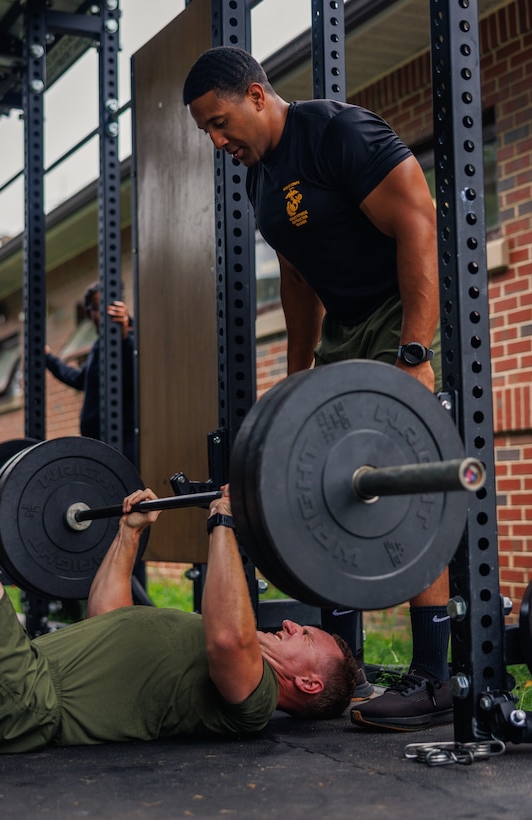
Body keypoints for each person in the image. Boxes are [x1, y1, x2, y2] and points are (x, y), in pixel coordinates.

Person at [183, 46, 453, 732]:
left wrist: (414, 354)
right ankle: (346, 657)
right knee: (319, 479)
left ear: (254, 95)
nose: (217, 142)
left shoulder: (336, 131)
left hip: (399, 314)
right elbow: (298, 277)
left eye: (219, 123)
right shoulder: (259, 179)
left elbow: (417, 221)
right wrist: (299, 374)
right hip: (344, 329)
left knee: (407, 480)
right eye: (205, 133)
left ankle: (433, 675)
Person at [0, 487, 358, 753]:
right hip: (12, 683)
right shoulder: (213, 673)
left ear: (309, 683)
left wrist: (225, 522)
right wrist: (130, 533)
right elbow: (109, 622)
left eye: (305, 637)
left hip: (19, 696)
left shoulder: (256, 699)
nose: (290, 625)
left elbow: (228, 638)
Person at [45, 282, 136, 465]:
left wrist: (124, 335)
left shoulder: (133, 339)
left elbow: (135, 376)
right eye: (95, 308)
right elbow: (80, 379)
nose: (101, 314)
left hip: (123, 445)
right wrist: (49, 359)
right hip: (98, 444)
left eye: (107, 307)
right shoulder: (99, 346)